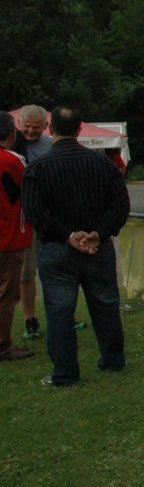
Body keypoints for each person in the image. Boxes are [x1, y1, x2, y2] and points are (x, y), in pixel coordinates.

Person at [22, 106, 129, 386]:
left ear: (49, 128)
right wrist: (98, 234)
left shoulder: (37, 168)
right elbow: (120, 206)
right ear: (80, 129)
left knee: (59, 311)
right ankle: (113, 360)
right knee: (105, 304)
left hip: (57, 250)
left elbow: (34, 212)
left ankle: (65, 373)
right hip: (97, 248)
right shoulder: (104, 164)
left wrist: (67, 235)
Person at [14, 105, 52, 341]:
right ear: (18, 123)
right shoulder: (9, 144)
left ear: (45, 126)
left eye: (35, 128)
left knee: (55, 270)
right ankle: (30, 319)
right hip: (24, 220)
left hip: (49, 217)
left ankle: (62, 316)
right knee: (26, 274)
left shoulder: (50, 145)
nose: (30, 131)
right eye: (26, 127)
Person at [0, 112, 34, 362]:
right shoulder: (13, 161)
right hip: (8, 237)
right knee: (7, 294)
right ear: (13, 133)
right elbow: (31, 190)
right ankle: (3, 346)